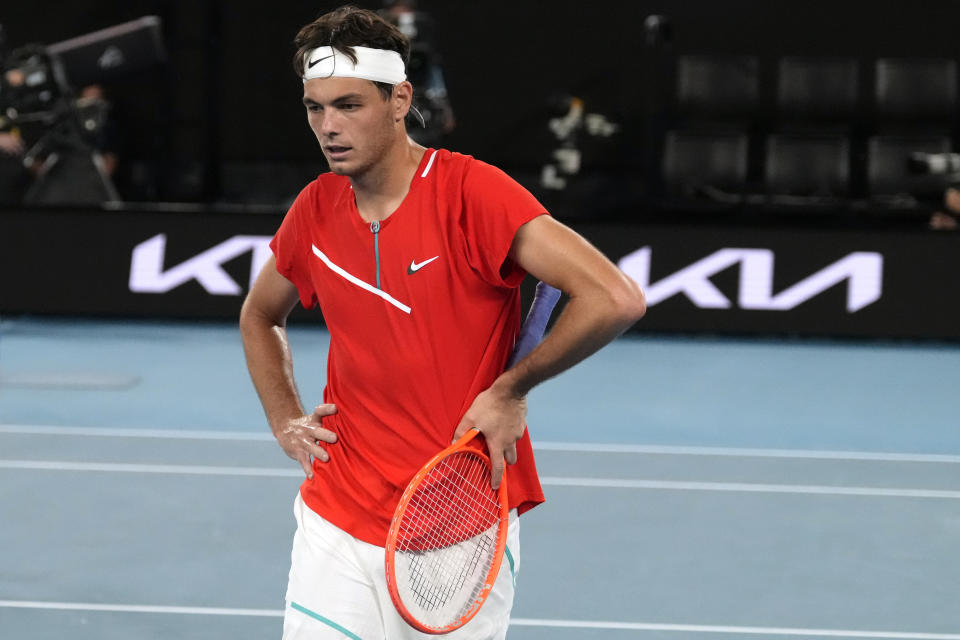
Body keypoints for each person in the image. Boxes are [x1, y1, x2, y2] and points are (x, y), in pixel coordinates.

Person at [239, 6, 646, 640]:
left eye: (348, 105)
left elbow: (613, 296)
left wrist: (511, 390)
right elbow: (261, 315)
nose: (328, 127)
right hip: (337, 517)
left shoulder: (472, 193)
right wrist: (284, 419)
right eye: (315, 108)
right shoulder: (316, 207)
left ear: (399, 99)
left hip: (460, 520)